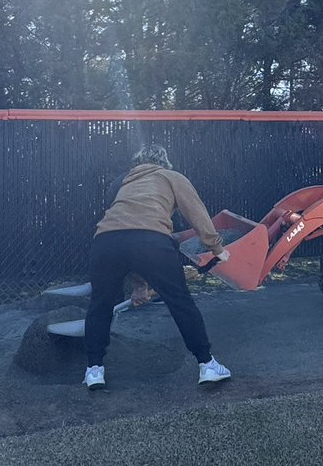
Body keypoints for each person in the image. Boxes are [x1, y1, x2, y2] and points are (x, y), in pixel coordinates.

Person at [82, 144, 232, 390]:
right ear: (164, 162)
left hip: (106, 242)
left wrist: (140, 285)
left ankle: (94, 370)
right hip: (151, 240)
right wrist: (217, 249)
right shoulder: (171, 176)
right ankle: (207, 365)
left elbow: (126, 232)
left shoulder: (124, 182)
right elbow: (196, 212)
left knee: (100, 305)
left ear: (137, 163)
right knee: (180, 301)